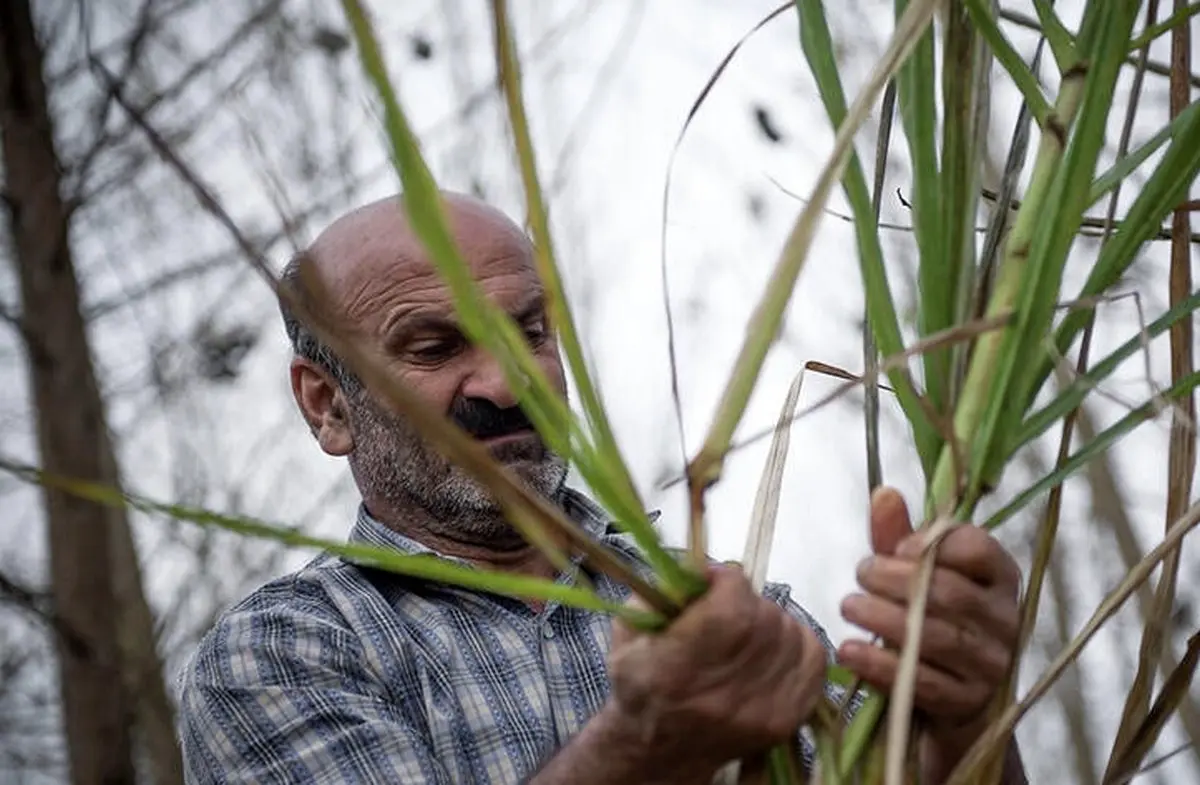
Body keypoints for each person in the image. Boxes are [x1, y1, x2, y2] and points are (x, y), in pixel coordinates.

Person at [177, 193, 1028, 784]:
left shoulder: (731, 616)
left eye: (529, 332)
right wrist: (648, 750)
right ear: (328, 406)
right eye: (434, 347)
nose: (506, 386)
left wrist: (967, 709)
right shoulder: (286, 653)